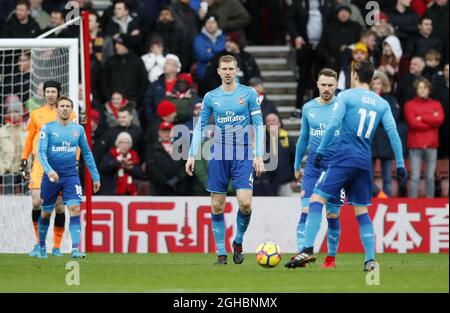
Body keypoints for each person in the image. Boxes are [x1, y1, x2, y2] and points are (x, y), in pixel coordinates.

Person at [285, 61, 407, 272]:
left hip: (342, 159)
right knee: (362, 212)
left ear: (355, 75)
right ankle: (370, 260)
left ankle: (307, 249)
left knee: (316, 201)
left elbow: (333, 125)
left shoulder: (346, 96)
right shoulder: (381, 103)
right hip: (364, 162)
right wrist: (401, 163)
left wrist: (321, 151)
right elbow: (393, 134)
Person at [185, 55, 264, 265]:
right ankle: (221, 253)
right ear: (219, 71)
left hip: (243, 153)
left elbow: (259, 125)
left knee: (245, 203)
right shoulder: (211, 97)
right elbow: (201, 126)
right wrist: (192, 154)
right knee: (217, 205)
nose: (228, 72)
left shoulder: (248, 93)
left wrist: (258, 155)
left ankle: (238, 241)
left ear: (236, 70)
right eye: (224, 69)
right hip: (219, 154)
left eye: (231, 68)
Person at [36, 96, 100, 258]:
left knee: (75, 208)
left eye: (68, 106)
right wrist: (49, 170)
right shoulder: (47, 128)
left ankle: (75, 249)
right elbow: (41, 152)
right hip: (51, 177)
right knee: (46, 213)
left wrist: (95, 176)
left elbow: (86, 153)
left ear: (71, 110)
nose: (65, 108)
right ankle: (42, 246)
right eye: (62, 106)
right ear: (57, 109)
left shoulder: (78, 130)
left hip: (71, 176)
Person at [293, 68, 344, 269]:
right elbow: (303, 137)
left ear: (336, 86)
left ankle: (330, 258)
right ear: (317, 84)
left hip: (336, 166)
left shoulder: (343, 108)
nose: (326, 88)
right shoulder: (308, 108)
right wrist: (297, 164)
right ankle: (301, 254)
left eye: (330, 85)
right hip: (313, 164)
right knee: (306, 208)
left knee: (332, 214)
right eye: (323, 84)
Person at [19, 81, 77, 257]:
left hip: (60, 164)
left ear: (59, 93)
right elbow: (30, 138)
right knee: (37, 202)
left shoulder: (69, 114)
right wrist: (23, 159)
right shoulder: (36, 114)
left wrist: (75, 159)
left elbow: (76, 138)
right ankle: (39, 244)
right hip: (39, 164)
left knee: (59, 207)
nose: (51, 94)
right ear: (44, 94)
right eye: (48, 91)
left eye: (54, 91)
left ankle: (57, 246)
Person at [404, 77, 444, 197]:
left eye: (425, 88)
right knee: (415, 176)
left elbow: (440, 120)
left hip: (431, 145)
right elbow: (413, 123)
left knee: (430, 177)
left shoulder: (436, 104)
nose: (422, 90)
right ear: (416, 90)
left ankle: (429, 203)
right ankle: (412, 204)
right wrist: (431, 119)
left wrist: (422, 117)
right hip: (415, 145)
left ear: (429, 90)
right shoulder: (409, 105)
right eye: (420, 87)